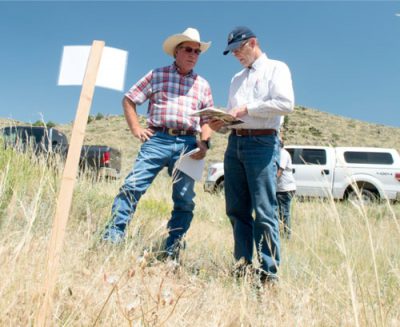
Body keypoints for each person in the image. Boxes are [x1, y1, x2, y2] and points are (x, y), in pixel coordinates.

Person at [102, 27, 214, 260]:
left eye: (197, 51)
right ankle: (112, 238)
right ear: (176, 52)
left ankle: (172, 249)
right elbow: (129, 99)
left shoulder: (203, 84)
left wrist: (204, 143)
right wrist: (136, 129)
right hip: (158, 139)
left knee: (184, 199)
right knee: (132, 186)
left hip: (187, 144)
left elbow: (207, 119)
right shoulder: (157, 74)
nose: (193, 54)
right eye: (188, 49)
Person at [209, 26, 294, 283]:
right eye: (232, 52)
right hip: (235, 144)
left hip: (263, 143)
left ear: (253, 43)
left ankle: (269, 272)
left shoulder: (277, 68)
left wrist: (247, 108)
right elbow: (234, 115)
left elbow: (285, 104)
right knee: (236, 209)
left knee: (264, 210)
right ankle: (242, 266)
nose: (235, 55)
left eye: (238, 49)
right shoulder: (235, 79)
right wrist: (220, 123)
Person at [277, 141, 296, 239]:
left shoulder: (283, 154)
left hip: (284, 188)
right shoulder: (279, 153)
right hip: (281, 188)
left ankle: (287, 235)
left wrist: (270, 182)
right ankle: (281, 233)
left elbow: (280, 170)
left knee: (284, 213)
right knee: (279, 212)